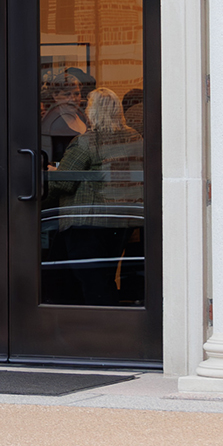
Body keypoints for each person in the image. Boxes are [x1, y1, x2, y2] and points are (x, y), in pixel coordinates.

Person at [45, 87, 146, 304]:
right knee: (106, 276)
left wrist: (51, 175)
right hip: (124, 221)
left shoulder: (86, 141)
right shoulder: (134, 138)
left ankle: (101, 326)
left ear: (94, 111)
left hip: (88, 221)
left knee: (92, 281)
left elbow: (64, 182)